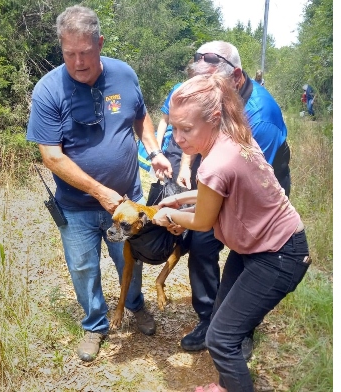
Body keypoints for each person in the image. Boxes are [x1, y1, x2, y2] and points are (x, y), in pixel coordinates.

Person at [26, 5, 172, 362]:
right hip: (76, 208)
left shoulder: (124, 75)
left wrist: (154, 152)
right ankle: (95, 323)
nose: (78, 62)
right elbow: (52, 156)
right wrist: (100, 192)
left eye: (85, 52)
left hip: (129, 201)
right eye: (69, 53)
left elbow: (140, 118)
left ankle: (135, 305)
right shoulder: (48, 90)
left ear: (100, 43)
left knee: (131, 261)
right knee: (82, 267)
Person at [152, 73, 308, 392]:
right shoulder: (235, 135)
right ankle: (227, 386)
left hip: (279, 255)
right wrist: (180, 197)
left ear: (212, 118)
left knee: (221, 339)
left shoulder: (215, 164)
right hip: (256, 248)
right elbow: (218, 195)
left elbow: (203, 221)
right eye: (174, 128)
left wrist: (166, 213)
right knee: (223, 323)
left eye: (186, 129)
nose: (178, 140)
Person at [169, 41, 291, 356]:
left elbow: (242, 181)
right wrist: (185, 168)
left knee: (251, 255)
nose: (202, 89)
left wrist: (183, 214)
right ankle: (210, 319)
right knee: (201, 245)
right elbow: (190, 138)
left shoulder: (260, 117)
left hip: (256, 194)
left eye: (210, 83)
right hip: (216, 181)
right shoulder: (202, 99)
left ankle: (241, 328)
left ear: (235, 78)